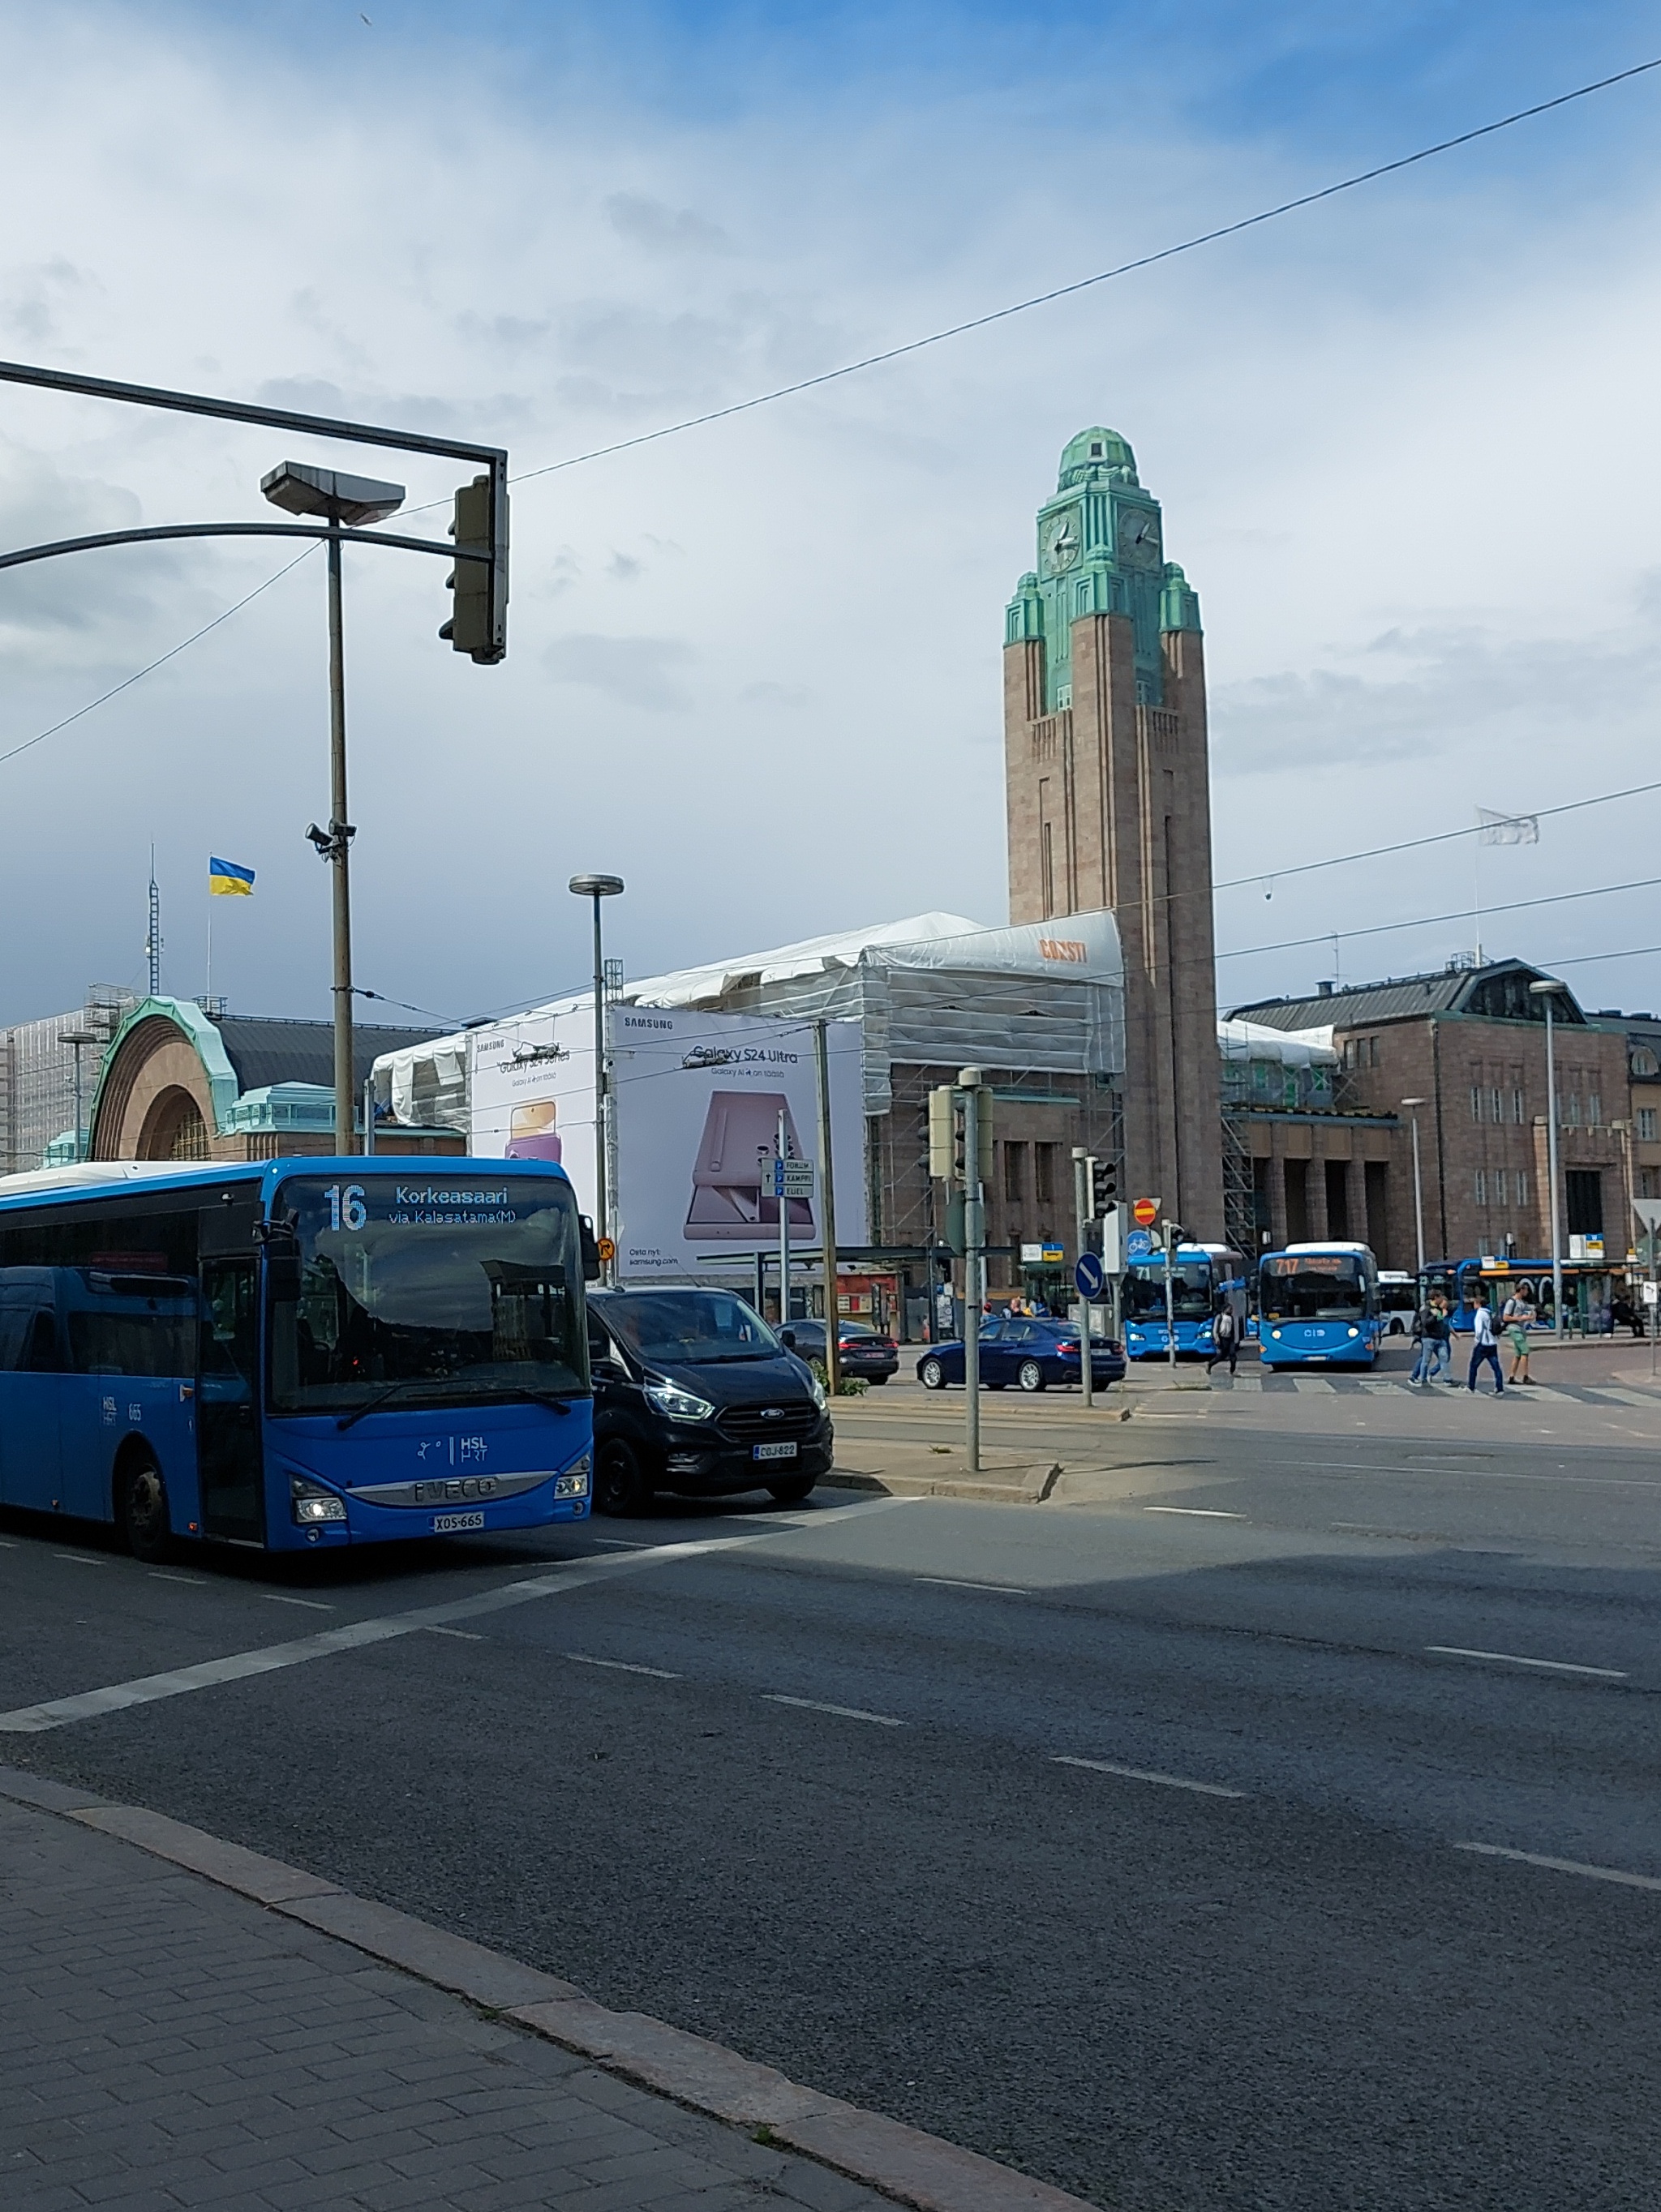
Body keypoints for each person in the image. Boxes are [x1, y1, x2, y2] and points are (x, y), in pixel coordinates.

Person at [1468, 1292, 1505, 1395]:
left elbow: (1479, 1331)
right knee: (1496, 1367)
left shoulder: (1480, 1314)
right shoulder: (1490, 1313)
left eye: (1474, 1303)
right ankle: (1500, 1388)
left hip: (1482, 1344)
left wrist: (1476, 1341)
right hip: (1492, 1344)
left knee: (1473, 1366)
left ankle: (1471, 1387)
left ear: (1478, 1304)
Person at [1500, 1285, 1535, 1384]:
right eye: (1526, 1290)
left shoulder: (1522, 1302)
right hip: (1514, 1328)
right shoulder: (1512, 1302)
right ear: (1521, 1290)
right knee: (1525, 1350)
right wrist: (1520, 1318)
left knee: (1518, 1354)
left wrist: (1530, 1316)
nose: (1527, 1292)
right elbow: (1506, 1317)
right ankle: (1525, 1376)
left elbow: (1529, 1311)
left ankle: (1512, 1377)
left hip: (1521, 1328)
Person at [1206, 1300, 1239, 1378]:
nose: (1231, 1310)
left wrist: (1235, 1340)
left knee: (1233, 1355)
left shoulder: (1231, 1318)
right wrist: (1216, 1338)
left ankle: (1232, 1370)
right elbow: (1215, 1328)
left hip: (1230, 1339)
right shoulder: (1220, 1317)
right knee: (1222, 1356)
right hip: (1222, 1338)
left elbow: (1233, 1329)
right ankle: (1210, 1364)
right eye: (1230, 1309)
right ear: (1225, 1309)